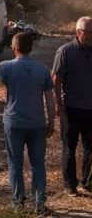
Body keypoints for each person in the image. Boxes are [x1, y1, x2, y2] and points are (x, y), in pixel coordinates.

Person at [0, 33, 55, 214]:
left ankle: (18, 204)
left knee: (15, 164)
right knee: (38, 164)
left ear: (14, 48)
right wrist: (51, 121)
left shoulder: (7, 67)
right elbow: (50, 101)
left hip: (14, 122)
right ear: (31, 47)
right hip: (37, 123)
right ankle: (39, 204)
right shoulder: (43, 70)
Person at [52, 16, 92, 196]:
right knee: (70, 146)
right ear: (78, 32)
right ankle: (69, 184)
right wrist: (58, 103)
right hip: (71, 107)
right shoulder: (65, 52)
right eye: (89, 32)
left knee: (91, 147)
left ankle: (88, 182)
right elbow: (56, 79)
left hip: (91, 108)